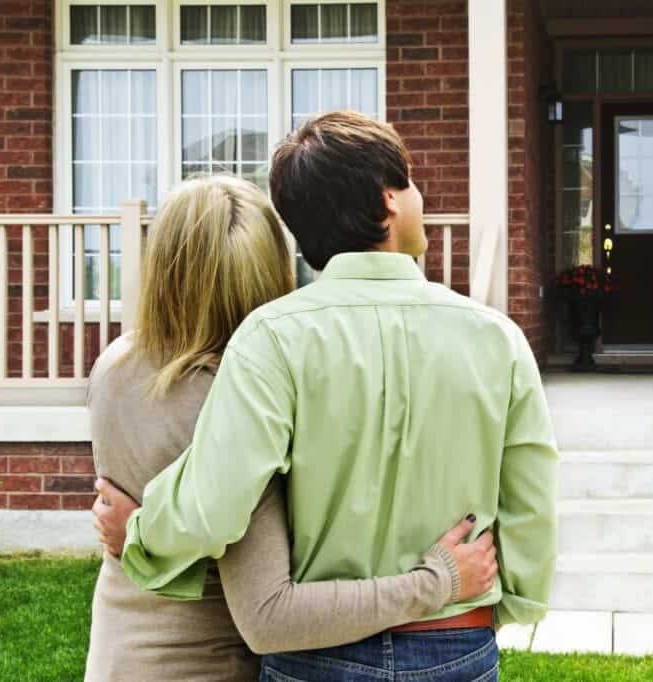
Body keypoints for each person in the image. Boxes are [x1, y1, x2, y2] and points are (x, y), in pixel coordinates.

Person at [95, 111, 559, 681]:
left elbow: (213, 506)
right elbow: (531, 501)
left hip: (319, 656)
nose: (419, 195)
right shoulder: (498, 340)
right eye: (410, 182)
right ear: (389, 201)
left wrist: (140, 532)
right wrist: (508, 604)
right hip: (453, 638)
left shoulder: (270, 339)